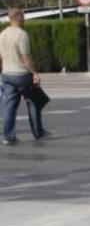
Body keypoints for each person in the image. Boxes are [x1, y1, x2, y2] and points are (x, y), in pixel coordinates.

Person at [0, 9, 45, 145]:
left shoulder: (2, 34)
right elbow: (26, 57)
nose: (25, 19)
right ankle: (37, 132)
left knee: (9, 107)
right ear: (18, 18)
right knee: (34, 102)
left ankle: (8, 136)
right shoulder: (22, 35)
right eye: (23, 17)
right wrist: (35, 73)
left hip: (7, 75)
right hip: (22, 75)